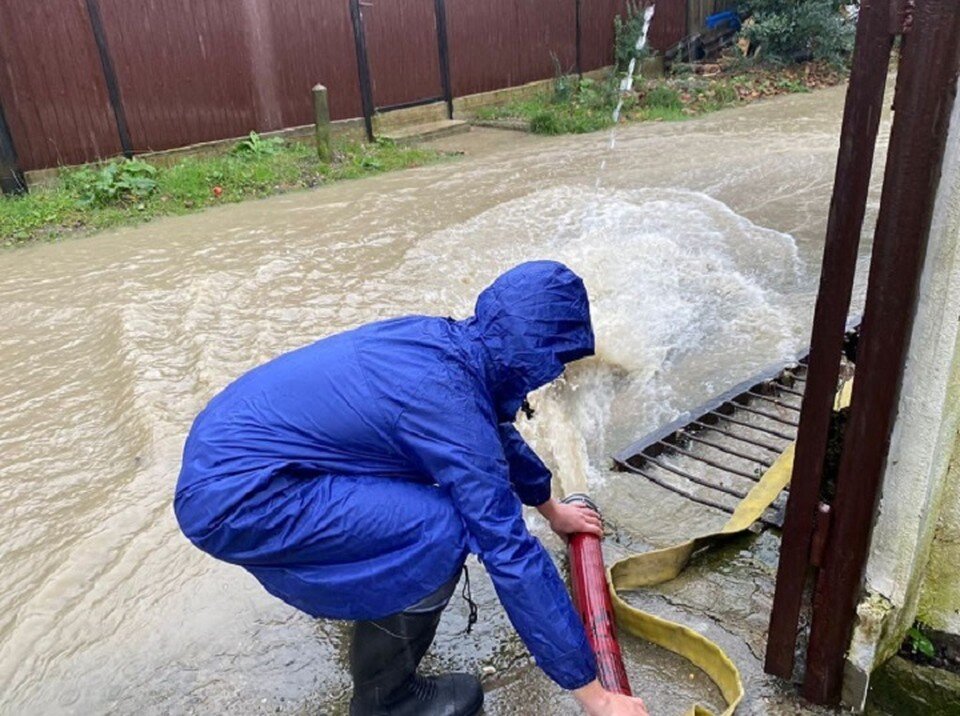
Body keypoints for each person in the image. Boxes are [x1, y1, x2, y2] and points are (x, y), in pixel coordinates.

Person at [174, 261, 648, 716]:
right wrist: (595, 696)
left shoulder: (447, 346)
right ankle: (388, 702)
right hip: (243, 498)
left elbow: (489, 433)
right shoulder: (446, 398)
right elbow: (508, 549)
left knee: (413, 488)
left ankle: (373, 605)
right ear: (535, 357)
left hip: (228, 457)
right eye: (555, 361)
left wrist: (551, 509)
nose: (554, 374)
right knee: (442, 526)